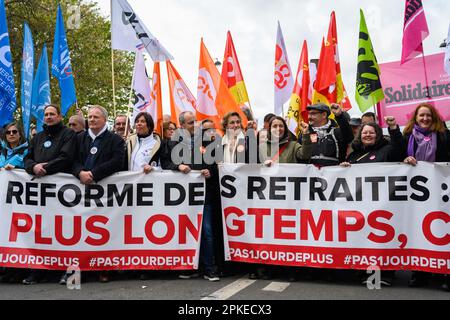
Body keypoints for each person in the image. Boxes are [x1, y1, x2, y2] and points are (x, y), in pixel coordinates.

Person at [385, 103, 450, 291]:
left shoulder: (444, 135)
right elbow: (394, 154)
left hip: (440, 192)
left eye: (428, 116)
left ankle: (443, 272)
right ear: (415, 118)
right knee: (417, 230)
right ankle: (419, 272)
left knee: (441, 230)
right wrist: (404, 159)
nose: (425, 119)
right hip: (415, 196)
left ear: (434, 118)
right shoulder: (407, 136)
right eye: (421, 115)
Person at [160, 111, 220, 282]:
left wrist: (210, 172)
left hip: (203, 194)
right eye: (190, 123)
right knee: (185, 231)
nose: (194, 125)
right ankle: (188, 267)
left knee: (207, 231)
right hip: (182, 197)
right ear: (181, 126)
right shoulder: (172, 143)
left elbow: (216, 165)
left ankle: (210, 269)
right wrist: (178, 167)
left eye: (195, 122)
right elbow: (165, 163)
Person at [70, 105, 125, 284]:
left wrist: (93, 174)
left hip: (104, 193)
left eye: (96, 117)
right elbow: (72, 160)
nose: (92, 120)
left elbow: (117, 161)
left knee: (102, 230)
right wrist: (80, 173)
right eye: (90, 117)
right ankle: (80, 269)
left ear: (104, 120)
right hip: (81, 193)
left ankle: (104, 268)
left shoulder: (115, 139)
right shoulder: (79, 138)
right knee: (80, 230)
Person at [23, 104, 76, 285]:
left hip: (62, 194)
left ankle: (68, 272)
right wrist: (33, 167)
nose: (49, 117)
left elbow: (66, 157)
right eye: (46, 114)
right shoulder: (38, 137)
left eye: (52, 114)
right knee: (41, 231)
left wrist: (45, 168)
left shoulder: (68, 135)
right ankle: (37, 271)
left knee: (65, 232)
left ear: (60, 116)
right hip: (40, 195)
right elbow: (27, 158)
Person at [0, 123, 29, 284]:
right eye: (8, 132)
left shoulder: (26, 151)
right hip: (3, 200)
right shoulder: (2, 152)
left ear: (20, 134)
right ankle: (7, 268)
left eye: (14, 132)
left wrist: (18, 168)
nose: (11, 134)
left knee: (19, 233)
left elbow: (29, 168)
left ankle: (19, 270)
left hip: (20, 200)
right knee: (5, 233)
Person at [298, 103, 354, 167]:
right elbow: (299, 156)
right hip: (310, 175)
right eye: (309, 114)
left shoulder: (336, 132)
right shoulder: (304, 133)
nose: (309, 117)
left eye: (313, 114)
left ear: (324, 115)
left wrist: (340, 116)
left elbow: (349, 137)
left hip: (333, 175)